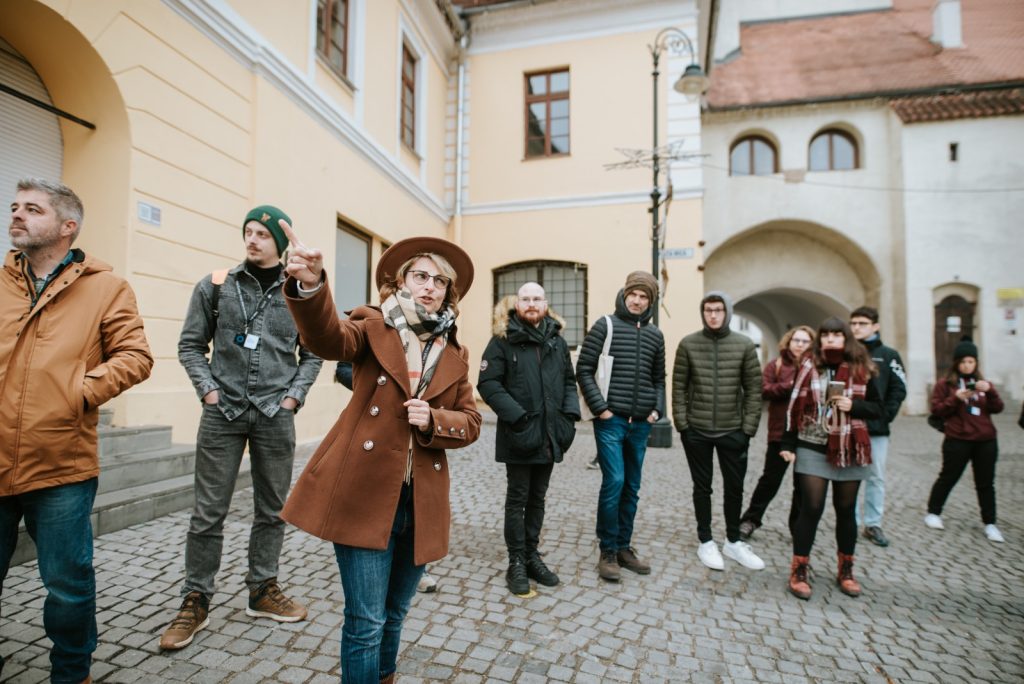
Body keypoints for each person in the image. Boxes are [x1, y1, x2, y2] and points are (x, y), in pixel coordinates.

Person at [279, 229, 481, 683]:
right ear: (402, 281)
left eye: (439, 281)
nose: (429, 286)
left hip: (420, 502)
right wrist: (311, 287)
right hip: (365, 495)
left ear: (448, 292)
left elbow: (470, 422)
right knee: (366, 623)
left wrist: (433, 421)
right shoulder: (373, 324)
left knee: (394, 616)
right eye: (420, 275)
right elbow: (329, 339)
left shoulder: (454, 351)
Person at [1, 178, 153, 683]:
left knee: (67, 584)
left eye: (33, 209)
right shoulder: (1, 281)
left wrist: (77, 392)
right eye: (15, 207)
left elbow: (135, 356)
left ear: (68, 227)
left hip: (61, 461)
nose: (18, 215)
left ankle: (72, 672)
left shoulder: (107, 288)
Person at [161, 205, 323, 650]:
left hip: (275, 414)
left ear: (280, 242)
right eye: (248, 232)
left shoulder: (299, 294)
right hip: (222, 414)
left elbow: (314, 353)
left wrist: (292, 398)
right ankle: (195, 598)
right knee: (207, 513)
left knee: (272, 510)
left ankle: (262, 589)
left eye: (262, 234)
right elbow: (191, 346)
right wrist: (208, 391)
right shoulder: (215, 287)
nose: (252, 240)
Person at [478, 282, 580, 595]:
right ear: (517, 304)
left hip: (550, 436)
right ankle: (517, 561)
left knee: (538, 498)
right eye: (526, 299)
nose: (532, 304)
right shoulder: (501, 340)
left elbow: (568, 382)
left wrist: (568, 420)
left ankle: (533, 555)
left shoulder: (556, 341)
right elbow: (488, 384)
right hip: (520, 434)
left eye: (537, 299)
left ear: (545, 303)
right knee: (518, 499)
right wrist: (519, 416)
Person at [781, 317, 883, 600]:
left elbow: (878, 408)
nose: (830, 339)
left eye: (837, 335)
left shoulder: (863, 367)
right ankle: (799, 568)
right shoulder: (808, 365)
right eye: (826, 335)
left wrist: (855, 405)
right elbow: (793, 404)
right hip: (812, 444)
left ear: (846, 338)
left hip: (849, 447)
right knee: (811, 507)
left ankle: (846, 570)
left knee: (846, 509)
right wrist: (788, 442)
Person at [577, 271, 665, 582]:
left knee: (632, 487)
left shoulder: (656, 335)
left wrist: (658, 409)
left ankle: (625, 547)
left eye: (644, 297)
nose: (638, 301)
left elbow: (658, 378)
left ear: (650, 301)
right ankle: (608, 551)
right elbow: (584, 369)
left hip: (640, 424)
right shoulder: (606, 325)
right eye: (634, 294)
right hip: (611, 422)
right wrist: (601, 410)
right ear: (625, 294)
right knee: (614, 481)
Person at [673, 292, 764, 571]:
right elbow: (678, 386)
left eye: (718, 310)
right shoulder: (688, 344)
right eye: (708, 310)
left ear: (727, 312)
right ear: (703, 313)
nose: (713, 315)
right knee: (702, 488)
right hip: (697, 431)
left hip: (733, 430)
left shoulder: (744, 345)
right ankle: (706, 540)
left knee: (734, 487)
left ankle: (733, 541)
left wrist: (747, 428)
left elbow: (754, 390)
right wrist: (683, 424)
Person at [924, 336, 1005, 543]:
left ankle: (990, 523)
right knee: (948, 476)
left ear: (976, 363)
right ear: (956, 363)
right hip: (958, 438)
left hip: (986, 439)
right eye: (963, 362)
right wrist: (956, 398)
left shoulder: (983, 385)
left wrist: (991, 391)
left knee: (986, 483)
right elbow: (936, 409)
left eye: (971, 361)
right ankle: (933, 512)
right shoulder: (945, 384)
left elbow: (998, 408)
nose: (967, 366)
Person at [739, 326, 816, 541]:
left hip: (808, 434)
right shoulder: (777, 364)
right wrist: (790, 385)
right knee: (770, 480)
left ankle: (798, 527)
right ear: (788, 342)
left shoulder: (817, 367)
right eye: (796, 340)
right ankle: (750, 520)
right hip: (780, 431)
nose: (799, 344)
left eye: (805, 341)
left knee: (803, 485)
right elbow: (763, 389)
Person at [849, 306, 907, 548]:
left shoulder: (888, 354)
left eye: (862, 323)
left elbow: (898, 387)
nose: (856, 328)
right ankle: (848, 522)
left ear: (875, 326)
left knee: (875, 477)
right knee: (848, 475)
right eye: (853, 324)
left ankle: (873, 523)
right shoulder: (846, 352)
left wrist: (886, 415)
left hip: (877, 428)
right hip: (849, 426)